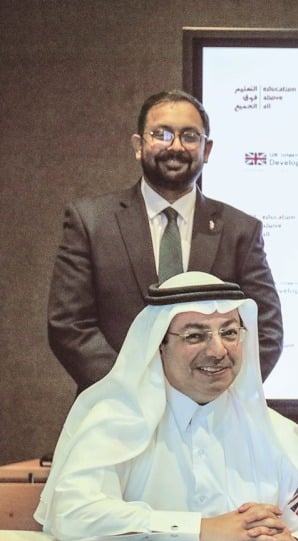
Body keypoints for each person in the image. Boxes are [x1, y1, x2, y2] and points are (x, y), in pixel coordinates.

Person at [36, 272, 298, 541]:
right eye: (195, 336)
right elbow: (72, 513)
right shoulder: (115, 422)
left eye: (229, 333)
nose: (218, 350)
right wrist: (200, 529)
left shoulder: (281, 434)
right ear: (159, 345)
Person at [47, 90, 283, 392]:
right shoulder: (91, 222)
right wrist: (134, 393)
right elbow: (69, 325)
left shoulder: (241, 230)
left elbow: (266, 330)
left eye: (190, 136)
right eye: (162, 134)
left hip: (214, 413)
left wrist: (215, 394)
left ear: (206, 149)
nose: (176, 146)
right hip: (116, 407)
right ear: (138, 145)